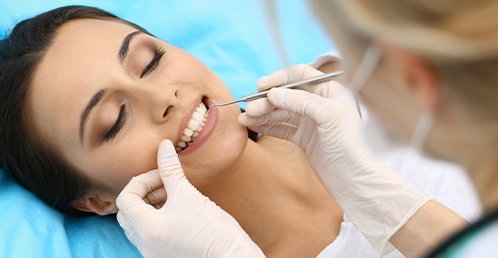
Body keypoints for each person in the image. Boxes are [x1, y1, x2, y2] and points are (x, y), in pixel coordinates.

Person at [116, 1, 498, 258]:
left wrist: (387, 204)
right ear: (96, 200)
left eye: (150, 62)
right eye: (113, 122)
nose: (162, 98)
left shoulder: (360, 90)